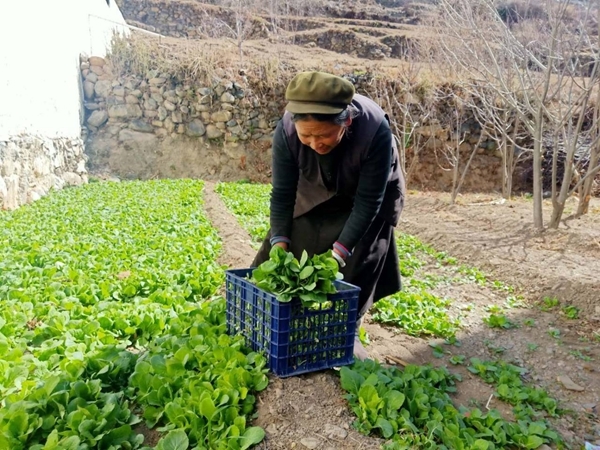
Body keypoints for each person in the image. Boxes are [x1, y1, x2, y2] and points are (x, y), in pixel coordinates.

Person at [252, 71, 405, 360]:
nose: (314, 143)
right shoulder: (286, 131)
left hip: (368, 191)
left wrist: (339, 253)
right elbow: (283, 194)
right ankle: (282, 314)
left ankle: (349, 329)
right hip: (318, 183)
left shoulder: (375, 131)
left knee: (359, 255)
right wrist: (280, 242)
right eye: (305, 135)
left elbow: (368, 202)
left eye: (322, 135)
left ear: (345, 122)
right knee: (291, 239)